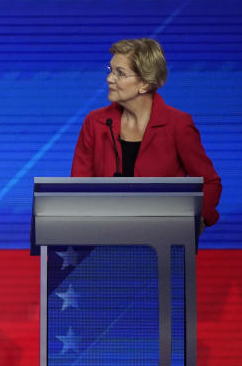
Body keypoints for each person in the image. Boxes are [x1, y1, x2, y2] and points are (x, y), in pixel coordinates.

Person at [71, 38, 221, 230]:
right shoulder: (96, 122)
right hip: (103, 236)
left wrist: (199, 218)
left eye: (120, 73)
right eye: (110, 70)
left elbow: (209, 181)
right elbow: (78, 187)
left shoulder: (177, 125)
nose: (109, 79)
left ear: (144, 83)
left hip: (162, 239)